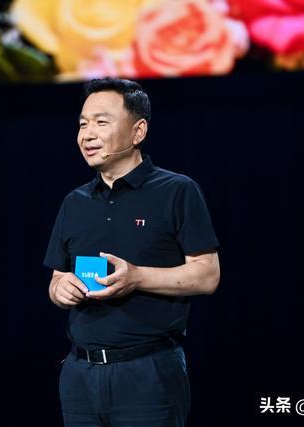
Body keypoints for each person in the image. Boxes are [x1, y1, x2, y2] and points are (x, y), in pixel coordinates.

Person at [44, 78, 221, 426]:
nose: (87, 134)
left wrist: (137, 277)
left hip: (148, 372)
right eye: (82, 124)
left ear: (138, 131)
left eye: (101, 122)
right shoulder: (74, 202)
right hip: (80, 374)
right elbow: (57, 277)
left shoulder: (177, 190)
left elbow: (208, 275)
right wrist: (59, 289)